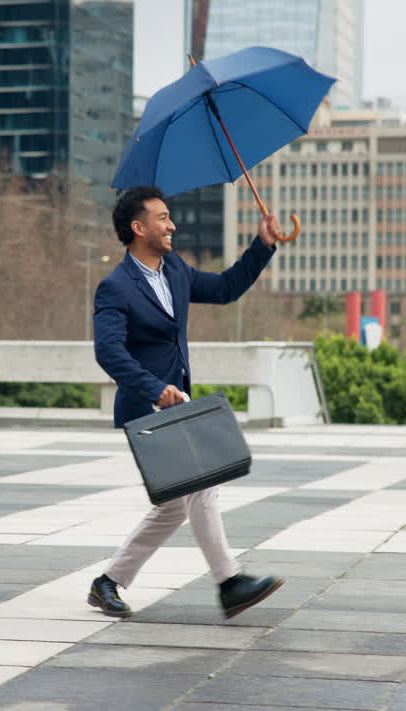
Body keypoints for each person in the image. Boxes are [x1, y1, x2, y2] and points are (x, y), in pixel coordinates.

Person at [87, 185, 284, 620]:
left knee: (174, 506)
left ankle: (108, 583)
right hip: (147, 410)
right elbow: (109, 352)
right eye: (161, 218)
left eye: (169, 216)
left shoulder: (174, 269)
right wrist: (154, 388)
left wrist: (263, 244)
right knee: (203, 483)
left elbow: (226, 288)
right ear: (138, 228)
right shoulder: (115, 287)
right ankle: (230, 582)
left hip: (177, 405)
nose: (171, 224)